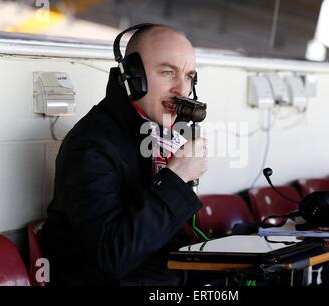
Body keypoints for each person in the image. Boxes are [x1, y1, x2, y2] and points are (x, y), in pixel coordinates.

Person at [42, 23, 208, 286]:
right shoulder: (89, 147)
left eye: (189, 76)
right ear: (133, 77)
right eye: (168, 72)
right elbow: (114, 255)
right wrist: (176, 177)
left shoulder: (160, 135)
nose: (182, 89)